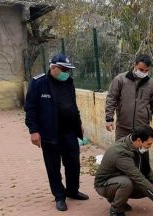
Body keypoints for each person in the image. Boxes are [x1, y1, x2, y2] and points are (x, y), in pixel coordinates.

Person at [24, 53, 89, 211]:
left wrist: (78, 124)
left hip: (70, 133)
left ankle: (72, 191)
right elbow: (30, 109)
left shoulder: (68, 82)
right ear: (53, 68)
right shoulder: (39, 83)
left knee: (73, 164)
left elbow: (73, 106)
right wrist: (34, 131)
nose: (67, 72)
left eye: (68, 69)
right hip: (50, 134)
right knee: (53, 167)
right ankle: (59, 196)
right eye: (64, 69)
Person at [94, 126, 153, 216]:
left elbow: (146, 167)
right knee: (127, 183)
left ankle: (120, 200)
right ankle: (116, 209)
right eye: (149, 144)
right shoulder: (121, 153)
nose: (149, 147)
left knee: (149, 187)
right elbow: (138, 178)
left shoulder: (139, 146)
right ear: (139, 140)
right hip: (104, 185)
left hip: (119, 178)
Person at [105, 54, 153, 141]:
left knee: (141, 152)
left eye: (146, 70)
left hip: (142, 128)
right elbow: (111, 99)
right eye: (141, 69)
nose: (143, 73)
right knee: (121, 152)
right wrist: (109, 119)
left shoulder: (152, 85)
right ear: (135, 65)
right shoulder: (120, 79)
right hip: (123, 127)